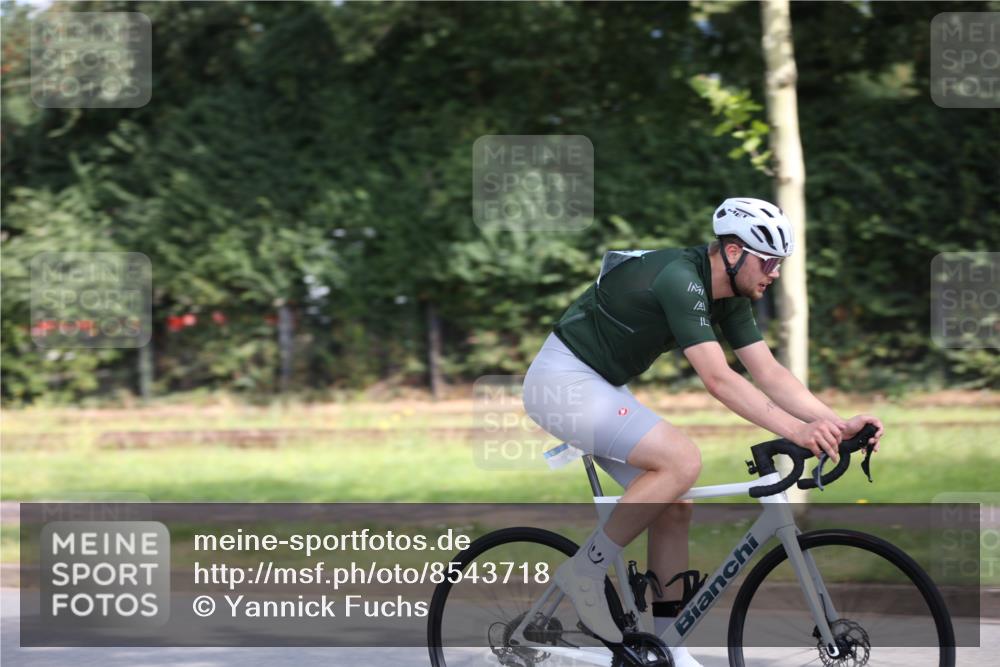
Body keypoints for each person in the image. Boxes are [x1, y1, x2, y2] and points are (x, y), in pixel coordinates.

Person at [522, 197, 884, 666]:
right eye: (769, 261)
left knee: (675, 505)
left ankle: (666, 648)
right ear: (733, 253)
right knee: (681, 460)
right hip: (561, 384)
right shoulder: (681, 279)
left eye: (780, 263)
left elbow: (769, 373)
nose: (774, 272)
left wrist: (834, 423)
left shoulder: (730, 295)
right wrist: (797, 430)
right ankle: (585, 575)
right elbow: (719, 379)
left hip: (599, 385)